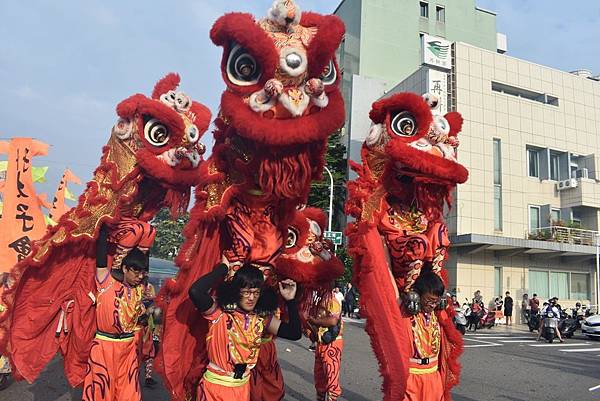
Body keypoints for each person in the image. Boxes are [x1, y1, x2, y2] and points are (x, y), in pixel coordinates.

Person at [188, 264, 301, 401]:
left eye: (256, 293)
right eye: (246, 292)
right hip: (215, 390)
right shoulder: (220, 312)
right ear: (236, 291)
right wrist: (221, 270)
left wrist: (290, 301)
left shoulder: (261, 318)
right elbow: (195, 291)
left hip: (242, 389)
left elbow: (294, 333)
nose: (251, 298)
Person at [82, 247, 149, 401]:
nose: (140, 276)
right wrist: (104, 225)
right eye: (136, 271)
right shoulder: (106, 283)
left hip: (128, 349)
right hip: (104, 346)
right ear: (125, 269)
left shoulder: (140, 289)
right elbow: (100, 260)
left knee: (129, 393)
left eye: (142, 272)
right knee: (100, 390)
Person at [403, 271, 447, 400]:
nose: (433, 305)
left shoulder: (438, 314)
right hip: (411, 377)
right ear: (417, 295)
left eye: (436, 301)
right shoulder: (406, 313)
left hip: (433, 376)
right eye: (429, 300)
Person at [307, 291, 344, 401]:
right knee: (319, 377)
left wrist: (316, 321)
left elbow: (333, 320)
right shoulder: (318, 298)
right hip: (321, 343)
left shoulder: (332, 300)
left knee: (331, 377)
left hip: (332, 344)